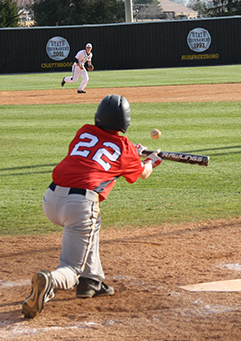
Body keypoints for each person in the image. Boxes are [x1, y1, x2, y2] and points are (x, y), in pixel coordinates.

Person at [22, 94, 163, 318]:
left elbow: (95, 155)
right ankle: (50, 280)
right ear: (124, 122)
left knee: (93, 221)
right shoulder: (125, 146)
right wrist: (151, 161)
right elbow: (143, 173)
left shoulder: (84, 132)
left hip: (51, 198)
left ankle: (92, 281)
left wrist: (131, 152)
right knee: (70, 267)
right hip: (79, 204)